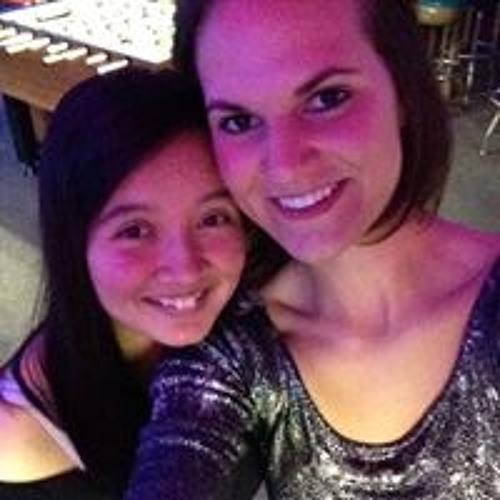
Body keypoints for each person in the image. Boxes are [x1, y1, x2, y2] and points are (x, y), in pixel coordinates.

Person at [125, 0, 500, 499]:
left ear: (404, 91)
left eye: (327, 98)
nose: (284, 164)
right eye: (238, 121)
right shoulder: (233, 348)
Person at [0, 67, 272, 499]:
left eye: (212, 218)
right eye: (135, 230)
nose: (184, 269)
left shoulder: (258, 316)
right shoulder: (16, 445)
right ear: (73, 241)